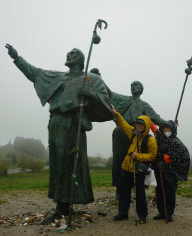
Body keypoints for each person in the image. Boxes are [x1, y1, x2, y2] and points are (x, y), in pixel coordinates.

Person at [5, 44, 113, 224]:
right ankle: (63, 204)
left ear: (81, 59)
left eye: (74, 53)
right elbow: (35, 74)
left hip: (72, 124)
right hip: (55, 123)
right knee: (57, 165)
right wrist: (17, 58)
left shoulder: (90, 78)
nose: (69, 54)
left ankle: (62, 207)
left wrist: (91, 95)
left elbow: (106, 101)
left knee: (67, 164)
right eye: (69, 52)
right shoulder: (57, 77)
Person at [110, 81, 166, 198]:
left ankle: (138, 191)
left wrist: (168, 125)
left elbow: (156, 118)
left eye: (136, 85)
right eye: (131, 85)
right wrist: (98, 78)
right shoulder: (124, 100)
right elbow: (109, 93)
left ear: (141, 89)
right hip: (121, 133)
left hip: (137, 134)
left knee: (138, 164)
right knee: (119, 162)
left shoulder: (144, 105)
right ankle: (119, 191)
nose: (133, 87)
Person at [111, 105, 157, 224]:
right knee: (124, 191)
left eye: (142, 124)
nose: (139, 126)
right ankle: (122, 214)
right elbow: (124, 124)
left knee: (140, 193)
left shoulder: (150, 140)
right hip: (127, 167)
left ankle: (142, 216)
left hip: (140, 170)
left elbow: (153, 155)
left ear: (146, 125)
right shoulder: (133, 134)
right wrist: (116, 114)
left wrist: (138, 156)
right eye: (138, 124)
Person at [150, 120, 190, 222]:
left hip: (171, 172)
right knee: (159, 191)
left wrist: (162, 156)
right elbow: (154, 128)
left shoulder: (177, 142)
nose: (166, 130)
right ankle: (162, 212)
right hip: (160, 170)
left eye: (168, 129)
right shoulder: (160, 137)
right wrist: (147, 118)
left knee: (170, 192)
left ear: (172, 130)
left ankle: (169, 213)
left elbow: (175, 157)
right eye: (164, 129)